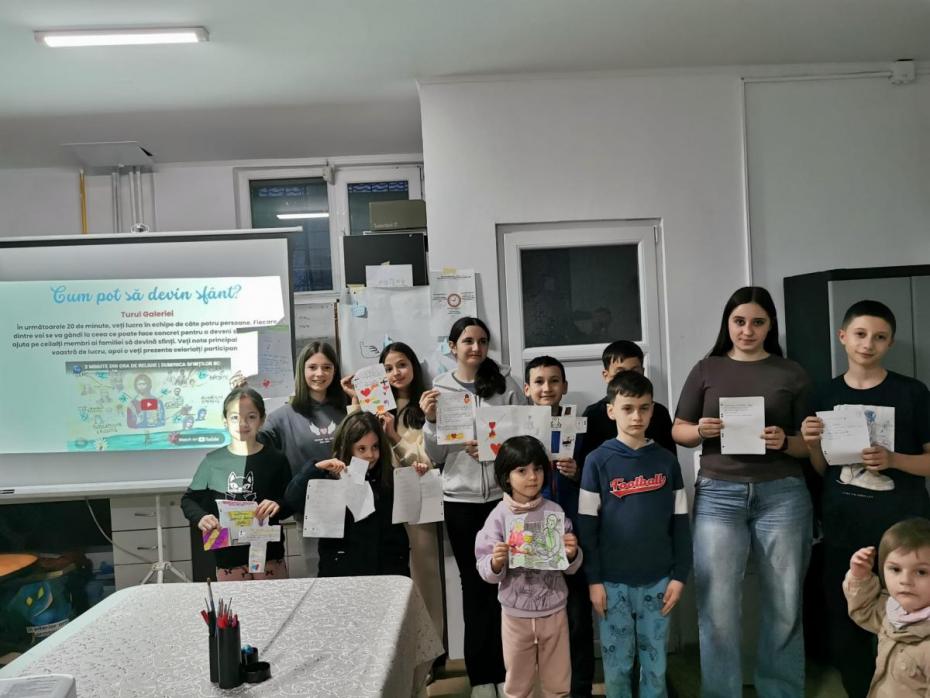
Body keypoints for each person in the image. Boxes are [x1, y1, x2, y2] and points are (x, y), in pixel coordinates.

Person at [672, 285, 812, 697]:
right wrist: (700, 431)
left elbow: (810, 445)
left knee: (785, 602)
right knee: (717, 605)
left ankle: (781, 691)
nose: (747, 330)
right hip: (719, 493)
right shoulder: (706, 368)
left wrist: (784, 441)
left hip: (783, 494)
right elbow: (678, 430)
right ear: (727, 324)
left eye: (757, 322)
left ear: (770, 326)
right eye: (739, 321)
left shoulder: (792, 373)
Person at [800, 300, 930, 697]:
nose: (868, 344)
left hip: (903, 531)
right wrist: (812, 444)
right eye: (860, 334)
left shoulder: (912, 392)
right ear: (843, 337)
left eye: (879, 337)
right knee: (847, 623)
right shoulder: (824, 393)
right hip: (843, 527)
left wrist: (894, 460)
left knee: (912, 619)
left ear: (890, 343)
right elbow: (823, 469)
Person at [421, 317, 525, 696]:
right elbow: (435, 456)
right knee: (474, 587)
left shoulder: (506, 385)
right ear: (453, 347)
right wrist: (430, 422)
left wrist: (494, 451)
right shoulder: (440, 389)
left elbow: (525, 441)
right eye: (467, 341)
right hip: (460, 502)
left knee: (507, 585)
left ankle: (507, 673)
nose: (476, 348)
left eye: (482, 341)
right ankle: (481, 677)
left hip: (502, 500)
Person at [579, 370, 691, 697]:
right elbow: (587, 526)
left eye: (643, 408)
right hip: (611, 583)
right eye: (627, 408)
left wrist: (680, 576)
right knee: (617, 667)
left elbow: (681, 522)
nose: (636, 416)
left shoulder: (667, 461)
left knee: (655, 666)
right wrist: (593, 580)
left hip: (659, 580)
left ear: (653, 410)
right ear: (611, 410)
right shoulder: (596, 461)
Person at [340, 341, 445, 653]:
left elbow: (427, 461)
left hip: (418, 497)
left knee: (425, 577)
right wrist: (356, 401)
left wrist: (394, 436)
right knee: (386, 574)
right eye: (388, 368)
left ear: (413, 367)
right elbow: (355, 443)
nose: (396, 372)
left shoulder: (424, 408)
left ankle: (428, 655)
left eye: (402, 365)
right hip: (380, 499)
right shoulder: (376, 406)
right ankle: (391, 651)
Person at [475, 435, 582, 698]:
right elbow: (485, 568)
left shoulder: (555, 512)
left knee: (558, 684)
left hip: (554, 611)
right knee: (517, 685)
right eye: (522, 470)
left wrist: (571, 553)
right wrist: (496, 562)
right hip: (515, 615)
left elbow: (571, 567)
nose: (532, 477)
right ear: (506, 476)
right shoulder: (499, 516)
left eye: (537, 469)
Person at [523, 355, 594, 697]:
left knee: (577, 617)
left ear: (564, 386)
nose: (546, 388)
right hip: (531, 532)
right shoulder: (517, 431)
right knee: (536, 619)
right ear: (527, 389)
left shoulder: (579, 429)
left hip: (571, 534)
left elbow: (596, 480)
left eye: (554, 381)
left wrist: (577, 473)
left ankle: (579, 689)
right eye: (538, 381)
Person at [180, 387, 292, 580]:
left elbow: (290, 501)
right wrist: (201, 517)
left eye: (251, 417)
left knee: (274, 600)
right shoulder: (213, 461)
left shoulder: (276, 459)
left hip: (269, 557)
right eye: (234, 417)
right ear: (225, 421)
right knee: (232, 601)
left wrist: (278, 504)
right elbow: (189, 500)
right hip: (228, 559)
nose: (242, 424)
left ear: (262, 420)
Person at [284, 411, 412, 576]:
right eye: (361, 448)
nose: (370, 455)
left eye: (375, 447)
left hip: (387, 570)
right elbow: (292, 499)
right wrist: (316, 469)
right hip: (342, 570)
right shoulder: (331, 476)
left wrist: (417, 472)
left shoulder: (388, 477)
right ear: (346, 447)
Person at [844, 518, 930, 697]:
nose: (905, 580)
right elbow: (865, 610)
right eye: (895, 569)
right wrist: (859, 576)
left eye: (921, 572)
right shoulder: (893, 610)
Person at [576, 341, 675, 469]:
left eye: (634, 372)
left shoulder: (659, 412)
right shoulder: (593, 414)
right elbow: (585, 465)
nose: (627, 379)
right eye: (620, 373)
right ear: (606, 376)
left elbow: (670, 461)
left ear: (643, 372)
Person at [261, 341, 348, 477]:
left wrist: (356, 399)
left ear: (334, 371)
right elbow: (254, 448)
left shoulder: (347, 410)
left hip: (347, 489)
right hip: (300, 489)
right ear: (302, 370)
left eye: (326, 367)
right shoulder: (280, 418)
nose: (320, 373)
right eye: (312, 367)